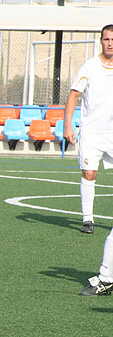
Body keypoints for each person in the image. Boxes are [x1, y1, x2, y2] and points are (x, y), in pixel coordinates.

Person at [64, 24, 113, 235]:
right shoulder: (90, 67)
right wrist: (68, 125)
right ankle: (88, 219)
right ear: (101, 41)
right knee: (89, 173)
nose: (110, 44)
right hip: (91, 132)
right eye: (106, 39)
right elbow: (74, 95)